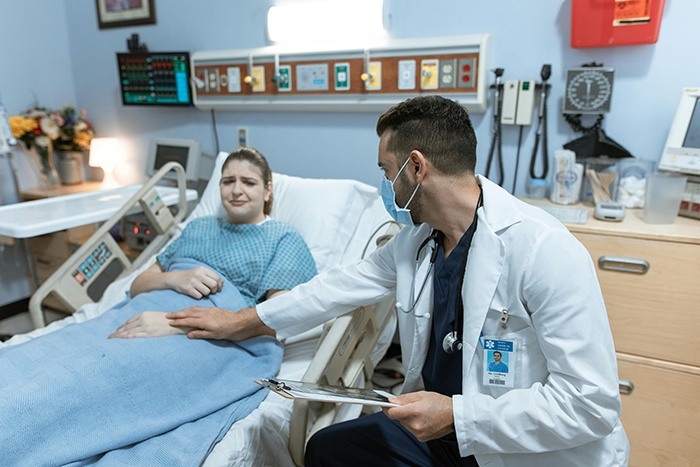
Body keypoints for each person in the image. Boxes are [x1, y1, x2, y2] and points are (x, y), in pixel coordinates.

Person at [164, 96, 629, 467]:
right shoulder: (417, 243)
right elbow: (334, 288)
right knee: (326, 449)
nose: (386, 184)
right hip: (441, 430)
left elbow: (591, 405)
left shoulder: (545, 250)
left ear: (416, 167)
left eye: (387, 171)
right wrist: (239, 321)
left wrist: (456, 415)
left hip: (522, 448)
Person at [0, 147, 317, 467]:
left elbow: (277, 316)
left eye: (248, 182)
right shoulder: (199, 228)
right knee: (50, 358)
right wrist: (176, 278)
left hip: (213, 337)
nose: (236, 189)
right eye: (227, 180)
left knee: (91, 376)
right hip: (140, 312)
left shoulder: (283, 238)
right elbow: (138, 285)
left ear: (267, 189)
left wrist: (176, 324)